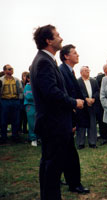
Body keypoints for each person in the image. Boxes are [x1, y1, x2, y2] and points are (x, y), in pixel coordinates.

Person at [30, 24, 88, 200]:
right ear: (48, 40)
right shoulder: (43, 62)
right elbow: (52, 93)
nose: (61, 38)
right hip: (53, 124)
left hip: (53, 123)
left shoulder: (45, 60)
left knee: (50, 166)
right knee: (52, 168)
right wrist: (74, 102)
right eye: (57, 35)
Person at [58, 44, 90, 192]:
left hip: (68, 119)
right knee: (69, 153)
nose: (78, 55)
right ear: (66, 56)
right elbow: (64, 98)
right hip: (64, 119)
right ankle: (74, 184)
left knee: (60, 152)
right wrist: (71, 121)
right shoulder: (61, 71)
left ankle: (59, 178)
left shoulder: (69, 71)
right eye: (74, 53)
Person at [0, 64, 23, 143]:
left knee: (16, 120)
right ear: (5, 71)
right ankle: (3, 137)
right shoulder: (1, 80)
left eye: (12, 69)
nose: (11, 70)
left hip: (15, 101)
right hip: (4, 101)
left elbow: (20, 91)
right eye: (9, 69)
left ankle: (15, 136)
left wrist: (19, 100)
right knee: (3, 120)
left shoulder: (16, 80)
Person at [77, 66, 99, 148]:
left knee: (92, 124)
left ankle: (92, 142)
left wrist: (93, 99)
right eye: (85, 70)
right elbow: (77, 92)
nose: (87, 72)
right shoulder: (77, 81)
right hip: (82, 106)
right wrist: (86, 99)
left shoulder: (93, 81)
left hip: (92, 106)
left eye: (88, 70)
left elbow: (97, 91)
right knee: (81, 125)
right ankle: (81, 143)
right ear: (81, 72)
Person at [95, 64, 107, 145]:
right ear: (105, 70)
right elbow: (97, 90)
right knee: (102, 120)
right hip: (102, 103)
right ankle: (104, 137)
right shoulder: (99, 78)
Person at [23, 73, 37, 146]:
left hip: (37, 106)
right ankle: (33, 139)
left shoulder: (37, 85)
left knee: (38, 122)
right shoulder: (27, 86)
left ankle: (38, 137)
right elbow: (29, 97)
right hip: (30, 106)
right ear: (28, 79)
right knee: (32, 123)